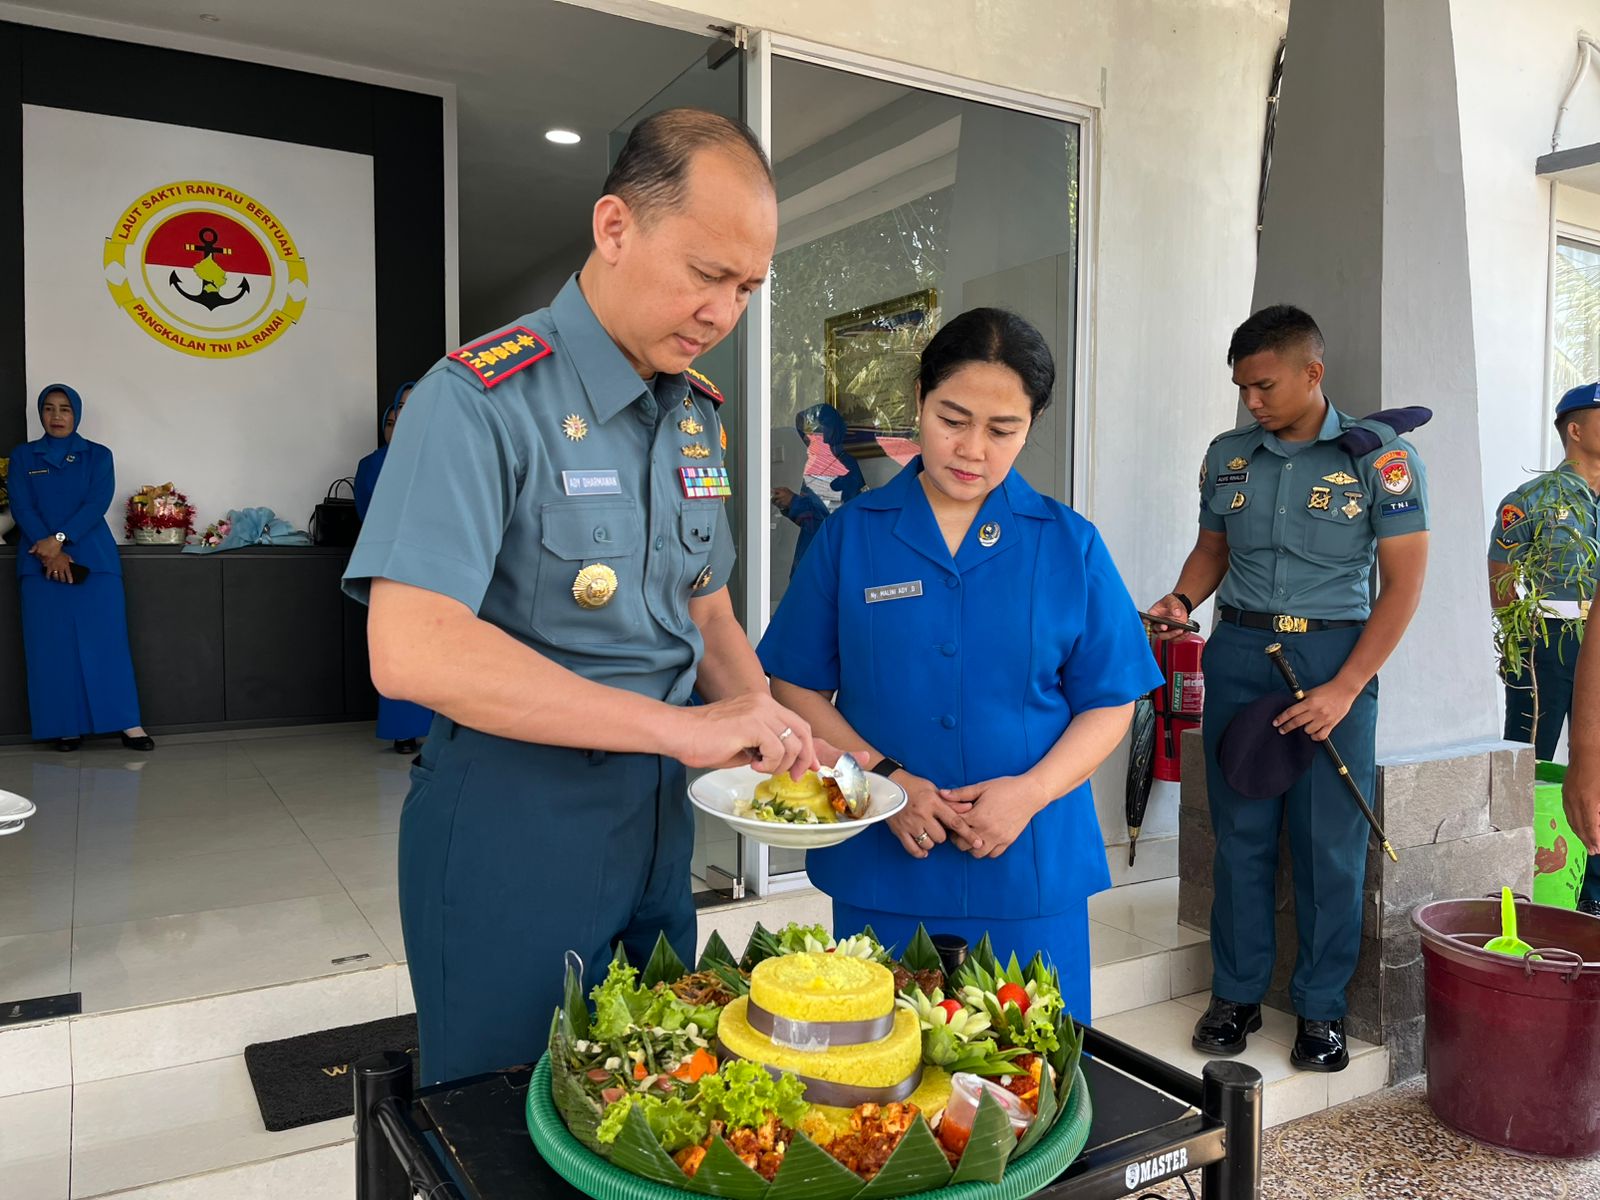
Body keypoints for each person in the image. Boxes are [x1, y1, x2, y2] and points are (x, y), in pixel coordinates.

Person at [343, 108, 826, 1085]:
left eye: (746, 287)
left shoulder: (694, 416)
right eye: (704, 274)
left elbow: (707, 607)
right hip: (514, 828)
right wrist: (680, 731)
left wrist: (771, 726)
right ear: (615, 227)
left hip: (658, 828)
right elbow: (414, 648)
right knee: (510, 1121)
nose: (723, 312)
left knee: (646, 1101)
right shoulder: (478, 399)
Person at [757, 308, 1161, 1025]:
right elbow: (794, 681)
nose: (972, 449)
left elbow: (1113, 700)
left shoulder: (1070, 545)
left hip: (1027, 867)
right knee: (877, 1085)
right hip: (883, 863)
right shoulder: (852, 537)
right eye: (953, 418)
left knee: (1032, 1081)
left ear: (1030, 425)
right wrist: (881, 783)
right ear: (919, 398)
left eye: (1002, 429)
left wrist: (1031, 792)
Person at [1147, 305, 1428, 1072]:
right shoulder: (1229, 456)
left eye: (1265, 385)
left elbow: (1402, 586)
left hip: (1335, 657)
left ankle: (1321, 1011)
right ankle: (1234, 995)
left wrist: (1347, 686)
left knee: (1327, 845)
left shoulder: (1381, 459)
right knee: (1240, 837)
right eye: (1242, 389)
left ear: (1313, 372)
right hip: (1239, 652)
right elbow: (1211, 549)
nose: (1253, 403)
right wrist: (1181, 601)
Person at [7, 384, 154, 753]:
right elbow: (22, 506)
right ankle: (65, 726)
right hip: (38, 562)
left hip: (93, 560)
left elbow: (96, 503)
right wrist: (48, 549)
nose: (57, 416)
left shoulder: (98, 456)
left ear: (77, 414)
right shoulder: (23, 456)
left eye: (65, 409)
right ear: (40, 413)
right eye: (49, 409)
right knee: (50, 648)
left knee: (107, 644)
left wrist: (58, 539)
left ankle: (128, 724)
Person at [1488, 382, 1600, 759]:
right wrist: (1519, 639)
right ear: (1575, 429)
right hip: (1548, 640)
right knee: (1530, 754)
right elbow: (1501, 574)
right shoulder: (1532, 499)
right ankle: (1523, 822)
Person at [353, 382, 432, 754]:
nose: (405, 411)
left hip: (441, 565)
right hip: (395, 567)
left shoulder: (445, 456)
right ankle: (404, 729)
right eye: (401, 405)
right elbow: (371, 517)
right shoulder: (374, 464)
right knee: (402, 650)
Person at [771, 403, 866, 577]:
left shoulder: (862, 479)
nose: (825, 441)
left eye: (827, 429)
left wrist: (794, 503)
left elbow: (829, 531)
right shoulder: (847, 474)